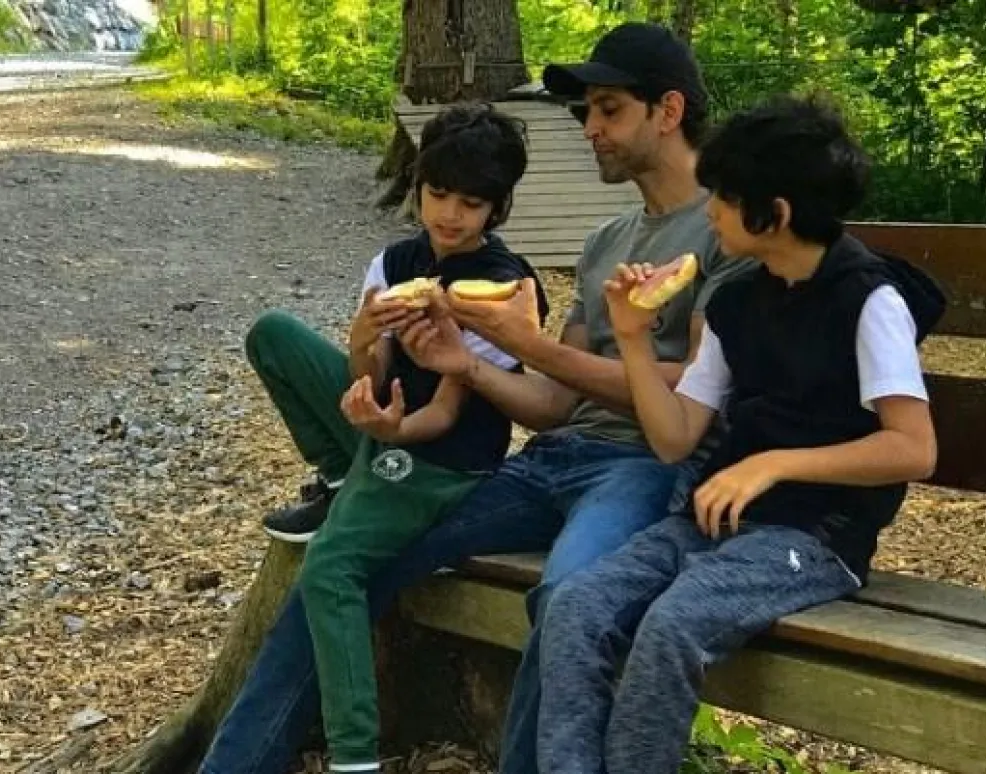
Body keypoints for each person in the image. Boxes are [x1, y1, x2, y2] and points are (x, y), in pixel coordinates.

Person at [198, 22, 749, 774]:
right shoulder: (604, 243)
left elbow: (692, 391)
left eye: (608, 110)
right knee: (344, 557)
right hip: (549, 459)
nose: (589, 128)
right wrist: (470, 365)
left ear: (669, 110)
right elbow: (553, 404)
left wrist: (527, 345)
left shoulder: (724, 234)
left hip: (645, 467)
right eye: (587, 111)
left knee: (568, 595)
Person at [536, 95, 944, 774]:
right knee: (578, 606)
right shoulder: (737, 302)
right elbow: (676, 438)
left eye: (723, 199)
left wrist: (774, 464)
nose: (710, 212)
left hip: (813, 536)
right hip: (711, 523)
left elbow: (913, 447)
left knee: (671, 627)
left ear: (773, 213)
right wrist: (633, 339)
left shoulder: (870, 301)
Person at [269, 102, 550, 774]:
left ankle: (354, 755)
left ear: (497, 207)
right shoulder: (395, 263)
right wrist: (363, 342)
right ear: (419, 187)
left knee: (330, 568)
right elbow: (368, 378)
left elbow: (446, 415)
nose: (450, 214)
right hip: (390, 424)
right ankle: (342, 476)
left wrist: (393, 430)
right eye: (438, 194)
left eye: (471, 203)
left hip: (443, 457)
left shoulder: (504, 289)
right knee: (273, 334)